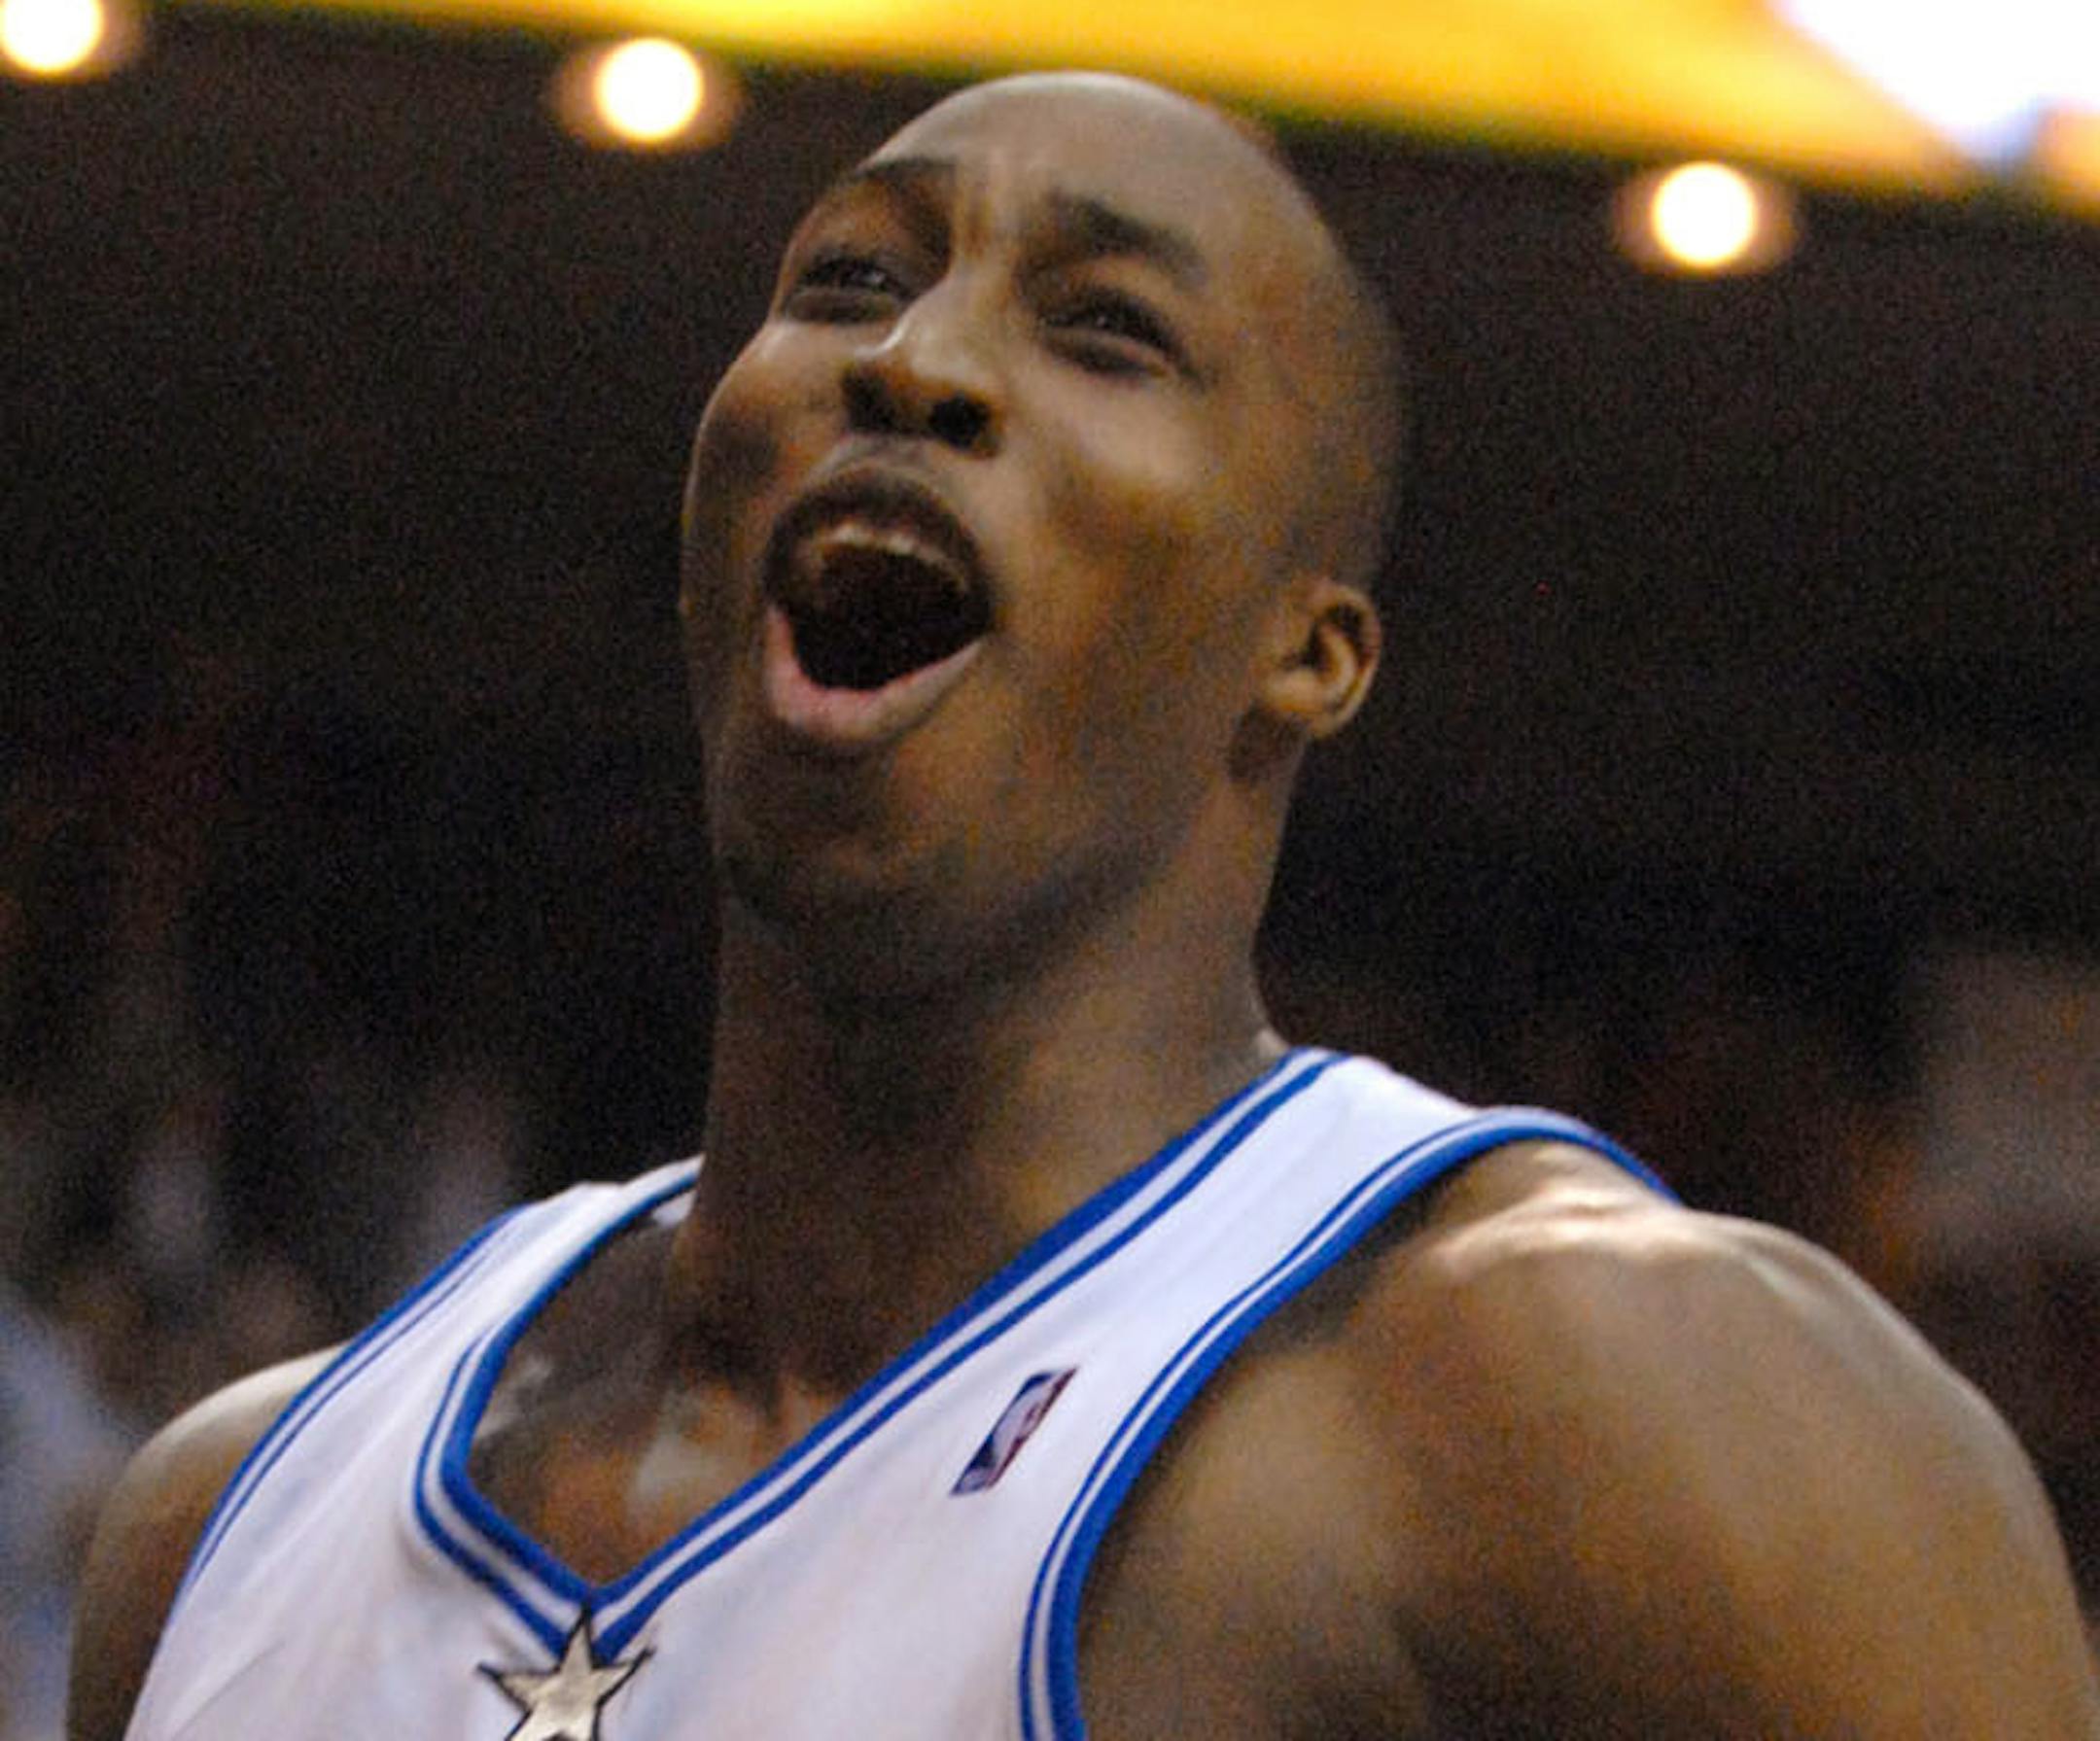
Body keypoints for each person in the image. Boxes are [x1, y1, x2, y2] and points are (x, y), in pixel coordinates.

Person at [71, 70, 2100, 1740]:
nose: (917, 362)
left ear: (1307, 654)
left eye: (1106, 328)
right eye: (851, 279)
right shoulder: (220, 1519)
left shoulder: (1625, 1414)